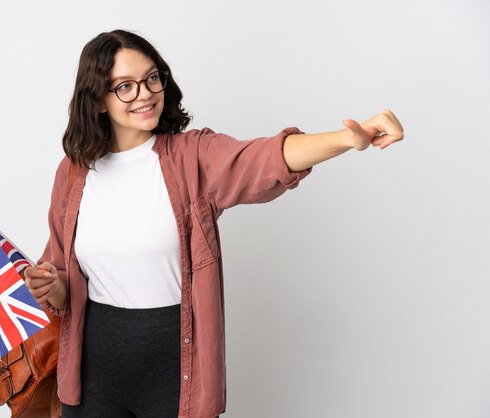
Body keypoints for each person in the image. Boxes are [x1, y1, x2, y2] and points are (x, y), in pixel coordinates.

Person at [23, 29, 404, 418]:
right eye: (125, 86)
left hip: (176, 370)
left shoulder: (192, 156)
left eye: (152, 78)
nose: (145, 93)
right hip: (92, 375)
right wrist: (50, 285)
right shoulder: (72, 175)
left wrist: (346, 139)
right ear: (98, 101)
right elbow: (62, 281)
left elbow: (263, 158)